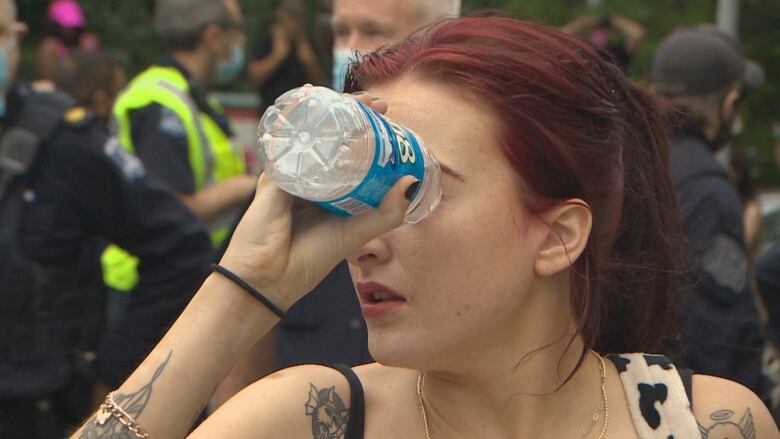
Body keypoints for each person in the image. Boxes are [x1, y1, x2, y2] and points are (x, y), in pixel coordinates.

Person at [70, 16, 778, 439]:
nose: (365, 239)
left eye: (421, 190)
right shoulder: (312, 418)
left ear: (559, 234)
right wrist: (245, 285)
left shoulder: (709, 423)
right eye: (365, 196)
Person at [0, 1, 214, 437]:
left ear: (17, 39)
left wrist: (115, 377)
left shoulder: (61, 143)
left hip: (32, 410)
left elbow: (181, 245)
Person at [650, 26, 771, 403]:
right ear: (730, 102)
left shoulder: (623, 154)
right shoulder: (709, 191)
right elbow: (723, 333)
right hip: (682, 405)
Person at [104, 0, 257, 295]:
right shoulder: (159, 102)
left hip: (185, 271)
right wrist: (248, 187)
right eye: (235, 30)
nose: (241, 41)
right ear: (213, 36)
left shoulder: (193, 96)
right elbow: (172, 205)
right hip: (150, 281)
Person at [248, 0, 324, 116]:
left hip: (303, 115)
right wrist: (277, 56)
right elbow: (254, 75)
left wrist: (309, 62)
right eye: (290, 16)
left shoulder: (308, 41)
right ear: (281, 14)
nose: (293, 22)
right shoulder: (268, 37)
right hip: (271, 113)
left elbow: (321, 83)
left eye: (297, 17)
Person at [53, 49, 127, 126]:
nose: (126, 97)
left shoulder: (45, 132)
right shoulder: (111, 136)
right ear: (101, 101)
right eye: (121, 91)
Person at [36, 0, 100, 81]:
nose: (70, 30)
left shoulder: (84, 43)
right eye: (66, 26)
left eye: (73, 27)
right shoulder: (49, 47)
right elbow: (48, 77)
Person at [561, 13, 645, 72]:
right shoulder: (583, 53)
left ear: (611, 32)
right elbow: (558, 37)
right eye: (596, 29)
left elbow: (637, 33)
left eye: (603, 29)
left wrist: (612, 19)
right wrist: (582, 22)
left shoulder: (619, 53)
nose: (599, 33)